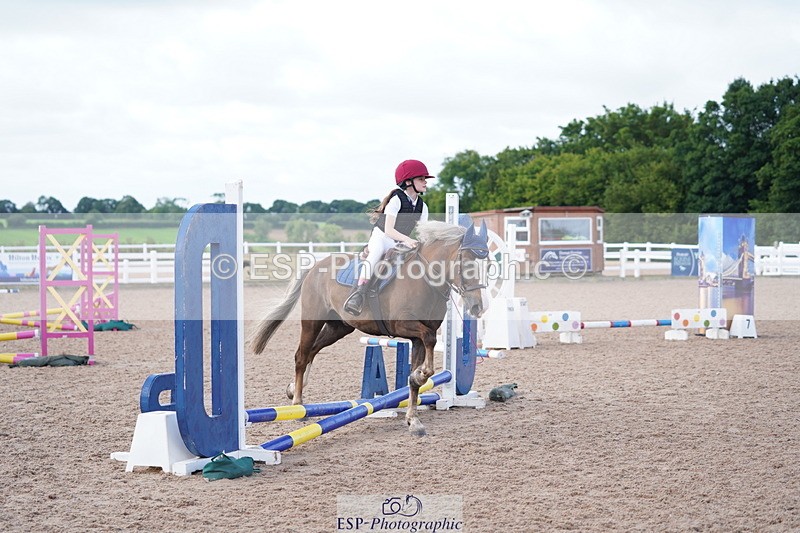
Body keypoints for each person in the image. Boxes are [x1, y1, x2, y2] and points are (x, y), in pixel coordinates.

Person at [343, 159, 434, 316]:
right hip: (382, 236)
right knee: (376, 253)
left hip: (399, 242)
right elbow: (389, 230)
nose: (425, 182)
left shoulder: (422, 206)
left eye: (424, 179)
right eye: (421, 179)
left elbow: (423, 232)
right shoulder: (396, 200)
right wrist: (408, 240)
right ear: (408, 181)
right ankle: (358, 294)